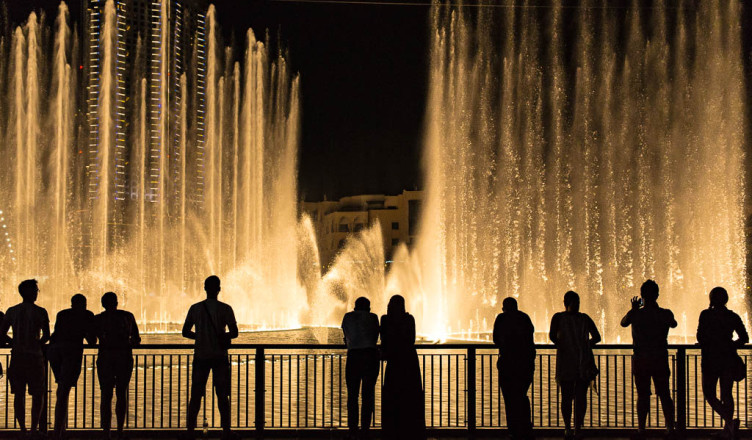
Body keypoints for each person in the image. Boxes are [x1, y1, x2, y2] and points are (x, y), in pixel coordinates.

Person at [182, 276, 239, 440]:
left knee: (195, 395)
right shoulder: (226, 309)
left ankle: (190, 432)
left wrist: (200, 337)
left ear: (205, 288)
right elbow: (234, 333)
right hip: (220, 357)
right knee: (222, 396)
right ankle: (226, 432)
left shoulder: (195, 308)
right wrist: (222, 337)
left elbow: (185, 331)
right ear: (219, 289)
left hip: (201, 356)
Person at [620, 280, 676, 437]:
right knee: (665, 394)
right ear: (657, 295)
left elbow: (623, 323)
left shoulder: (636, 314)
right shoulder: (665, 313)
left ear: (642, 296)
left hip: (641, 359)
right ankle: (670, 428)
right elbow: (674, 324)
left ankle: (641, 429)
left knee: (643, 395)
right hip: (660, 359)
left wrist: (633, 310)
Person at [697, 287, 749, 440]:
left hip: (710, 360)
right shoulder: (732, 316)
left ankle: (729, 424)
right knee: (727, 394)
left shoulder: (705, 315)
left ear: (711, 298)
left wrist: (709, 343)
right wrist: (731, 345)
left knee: (709, 394)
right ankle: (728, 428)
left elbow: (700, 336)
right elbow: (744, 337)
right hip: (727, 359)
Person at [0, 279, 50, 437]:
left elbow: (1, 333)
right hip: (35, 357)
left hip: (17, 357)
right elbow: (47, 336)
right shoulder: (41, 311)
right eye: (35, 290)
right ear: (30, 292)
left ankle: (22, 430)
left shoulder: (12, 311)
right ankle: (34, 429)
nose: (37, 293)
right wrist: (38, 343)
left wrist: (13, 342)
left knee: (18, 395)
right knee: (37, 394)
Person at [549, 291, 601, 439]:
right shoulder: (583, 318)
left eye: (577, 301)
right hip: (581, 361)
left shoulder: (559, 318)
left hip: (568, 361)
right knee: (577, 397)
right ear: (567, 303)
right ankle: (574, 428)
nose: (577, 304)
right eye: (575, 301)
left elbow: (552, 336)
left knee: (572, 397)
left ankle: (571, 428)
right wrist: (584, 345)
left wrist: (565, 345)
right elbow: (597, 337)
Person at [48, 294, 96, 440]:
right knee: (63, 391)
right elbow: (92, 340)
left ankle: (60, 428)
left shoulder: (62, 314)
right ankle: (58, 432)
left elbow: (55, 334)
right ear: (84, 304)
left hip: (55, 352)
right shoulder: (87, 315)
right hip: (71, 353)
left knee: (61, 389)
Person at [94, 292, 141, 439]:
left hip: (105, 359)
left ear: (102, 304)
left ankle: (106, 431)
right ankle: (120, 430)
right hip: (124, 358)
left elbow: (91, 340)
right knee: (121, 394)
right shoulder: (127, 316)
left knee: (106, 395)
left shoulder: (99, 318)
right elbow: (137, 338)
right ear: (116, 303)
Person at [380, 295, 426, 440]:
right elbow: (411, 339)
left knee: (393, 393)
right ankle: (411, 430)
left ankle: (392, 429)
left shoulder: (386, 319)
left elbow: (384, 339)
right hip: (409, 360)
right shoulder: (409, 319)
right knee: (410, 395)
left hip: (394, 361)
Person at [493, 297, 535, 440]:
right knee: (522, 397)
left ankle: (513, 431)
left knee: (509, 399)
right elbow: (530, 338)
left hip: (507, 364)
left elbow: (495, 339)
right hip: (525, 365)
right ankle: (526, 429)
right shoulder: (525, 318)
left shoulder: (501, 318)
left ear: (504, 307)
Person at [341, 297, 380, 440]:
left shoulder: (348, 317)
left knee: (352, 396)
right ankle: (365, 430)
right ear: (368, 308)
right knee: (368, 396)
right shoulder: (374, 317)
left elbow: (346, 337)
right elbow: (376, 336)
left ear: (355, 307)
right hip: (371, 357)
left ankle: (352, 430)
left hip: (354, 357)